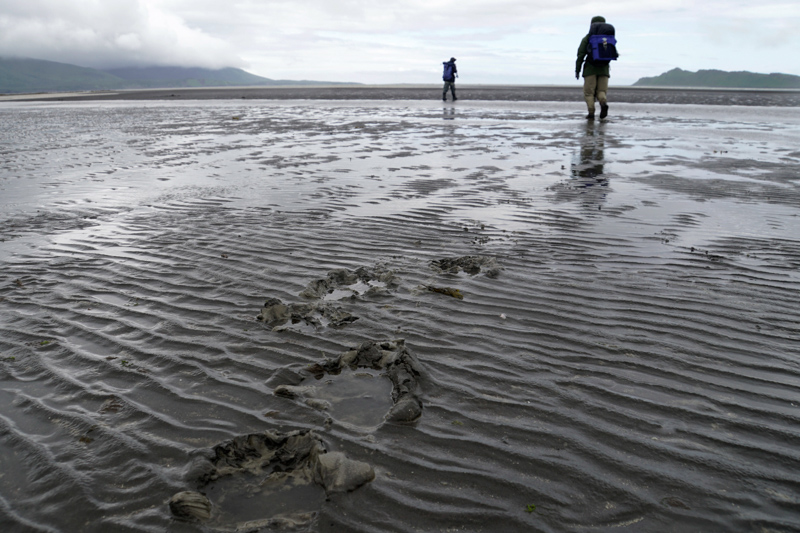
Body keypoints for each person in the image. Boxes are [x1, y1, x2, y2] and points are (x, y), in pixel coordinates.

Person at [576, 16, 611, 120]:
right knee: (601, 91)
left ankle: (591, 113)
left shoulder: (588, 38)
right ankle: (603, 103)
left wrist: (577, 70)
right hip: (604, 70)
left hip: (590, 69)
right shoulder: (607, 39)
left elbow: (580, 55)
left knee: (589, 93)